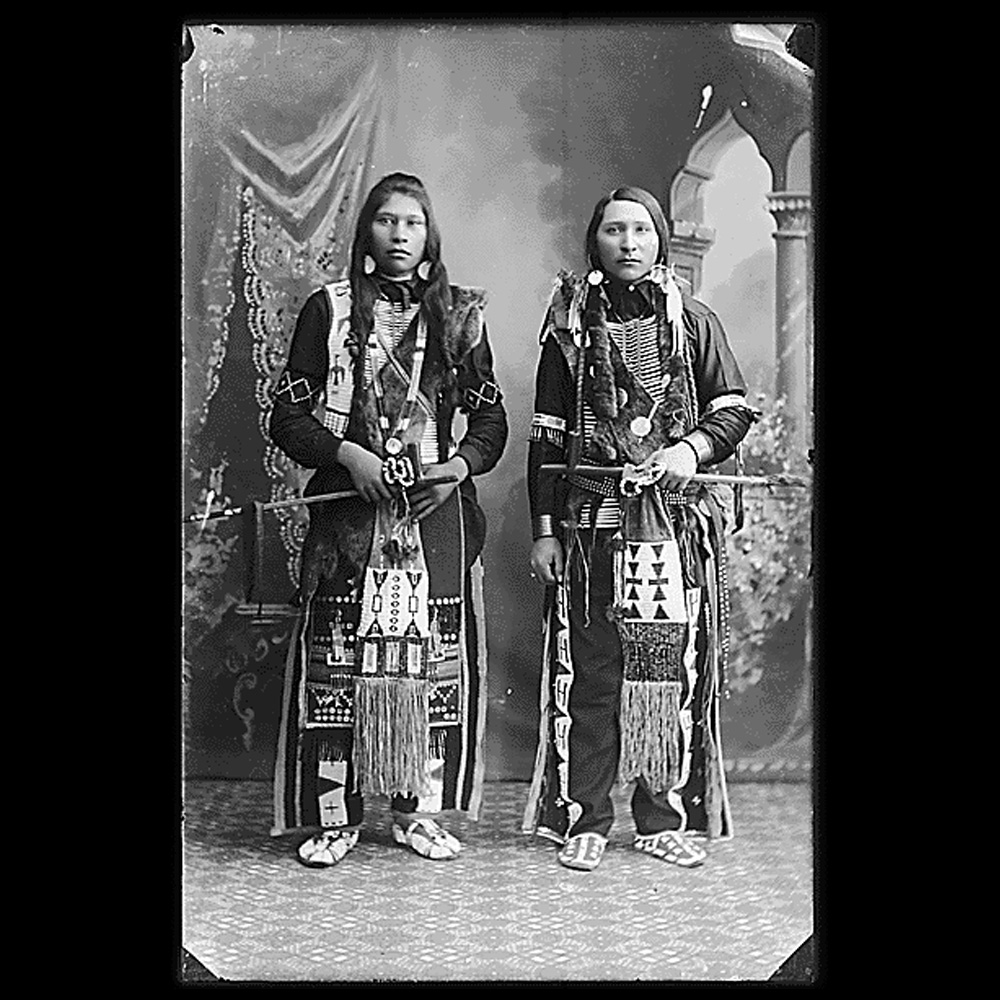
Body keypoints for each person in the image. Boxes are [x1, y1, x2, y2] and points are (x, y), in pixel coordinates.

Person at [269, 172, 508, 867]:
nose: (399, 234)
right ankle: (335, 818)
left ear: (429, 235)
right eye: (386, 221)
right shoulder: (331, 310)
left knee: (432, 670)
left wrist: (457, 468)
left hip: (434, 511)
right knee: (338, 671)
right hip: (349, 511)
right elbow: (287, 415)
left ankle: (417, 812)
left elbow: (490, 419)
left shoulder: (460, 317)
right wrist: (350, 456)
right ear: (367, 233)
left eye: (412, 223)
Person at [522, 186, 757, 872]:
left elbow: (733, 409)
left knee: (668, 676)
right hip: (594, 526)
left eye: (641, 231)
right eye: (614, 231)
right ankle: (587, 819)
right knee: (592, 674)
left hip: (673, 528)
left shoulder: (695, 322)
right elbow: (548, 438)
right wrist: (545, 531)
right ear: (593, 243)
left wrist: (688, 451)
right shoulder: (567, 331)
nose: (628, 243)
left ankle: (660, 817)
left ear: (660, 241)